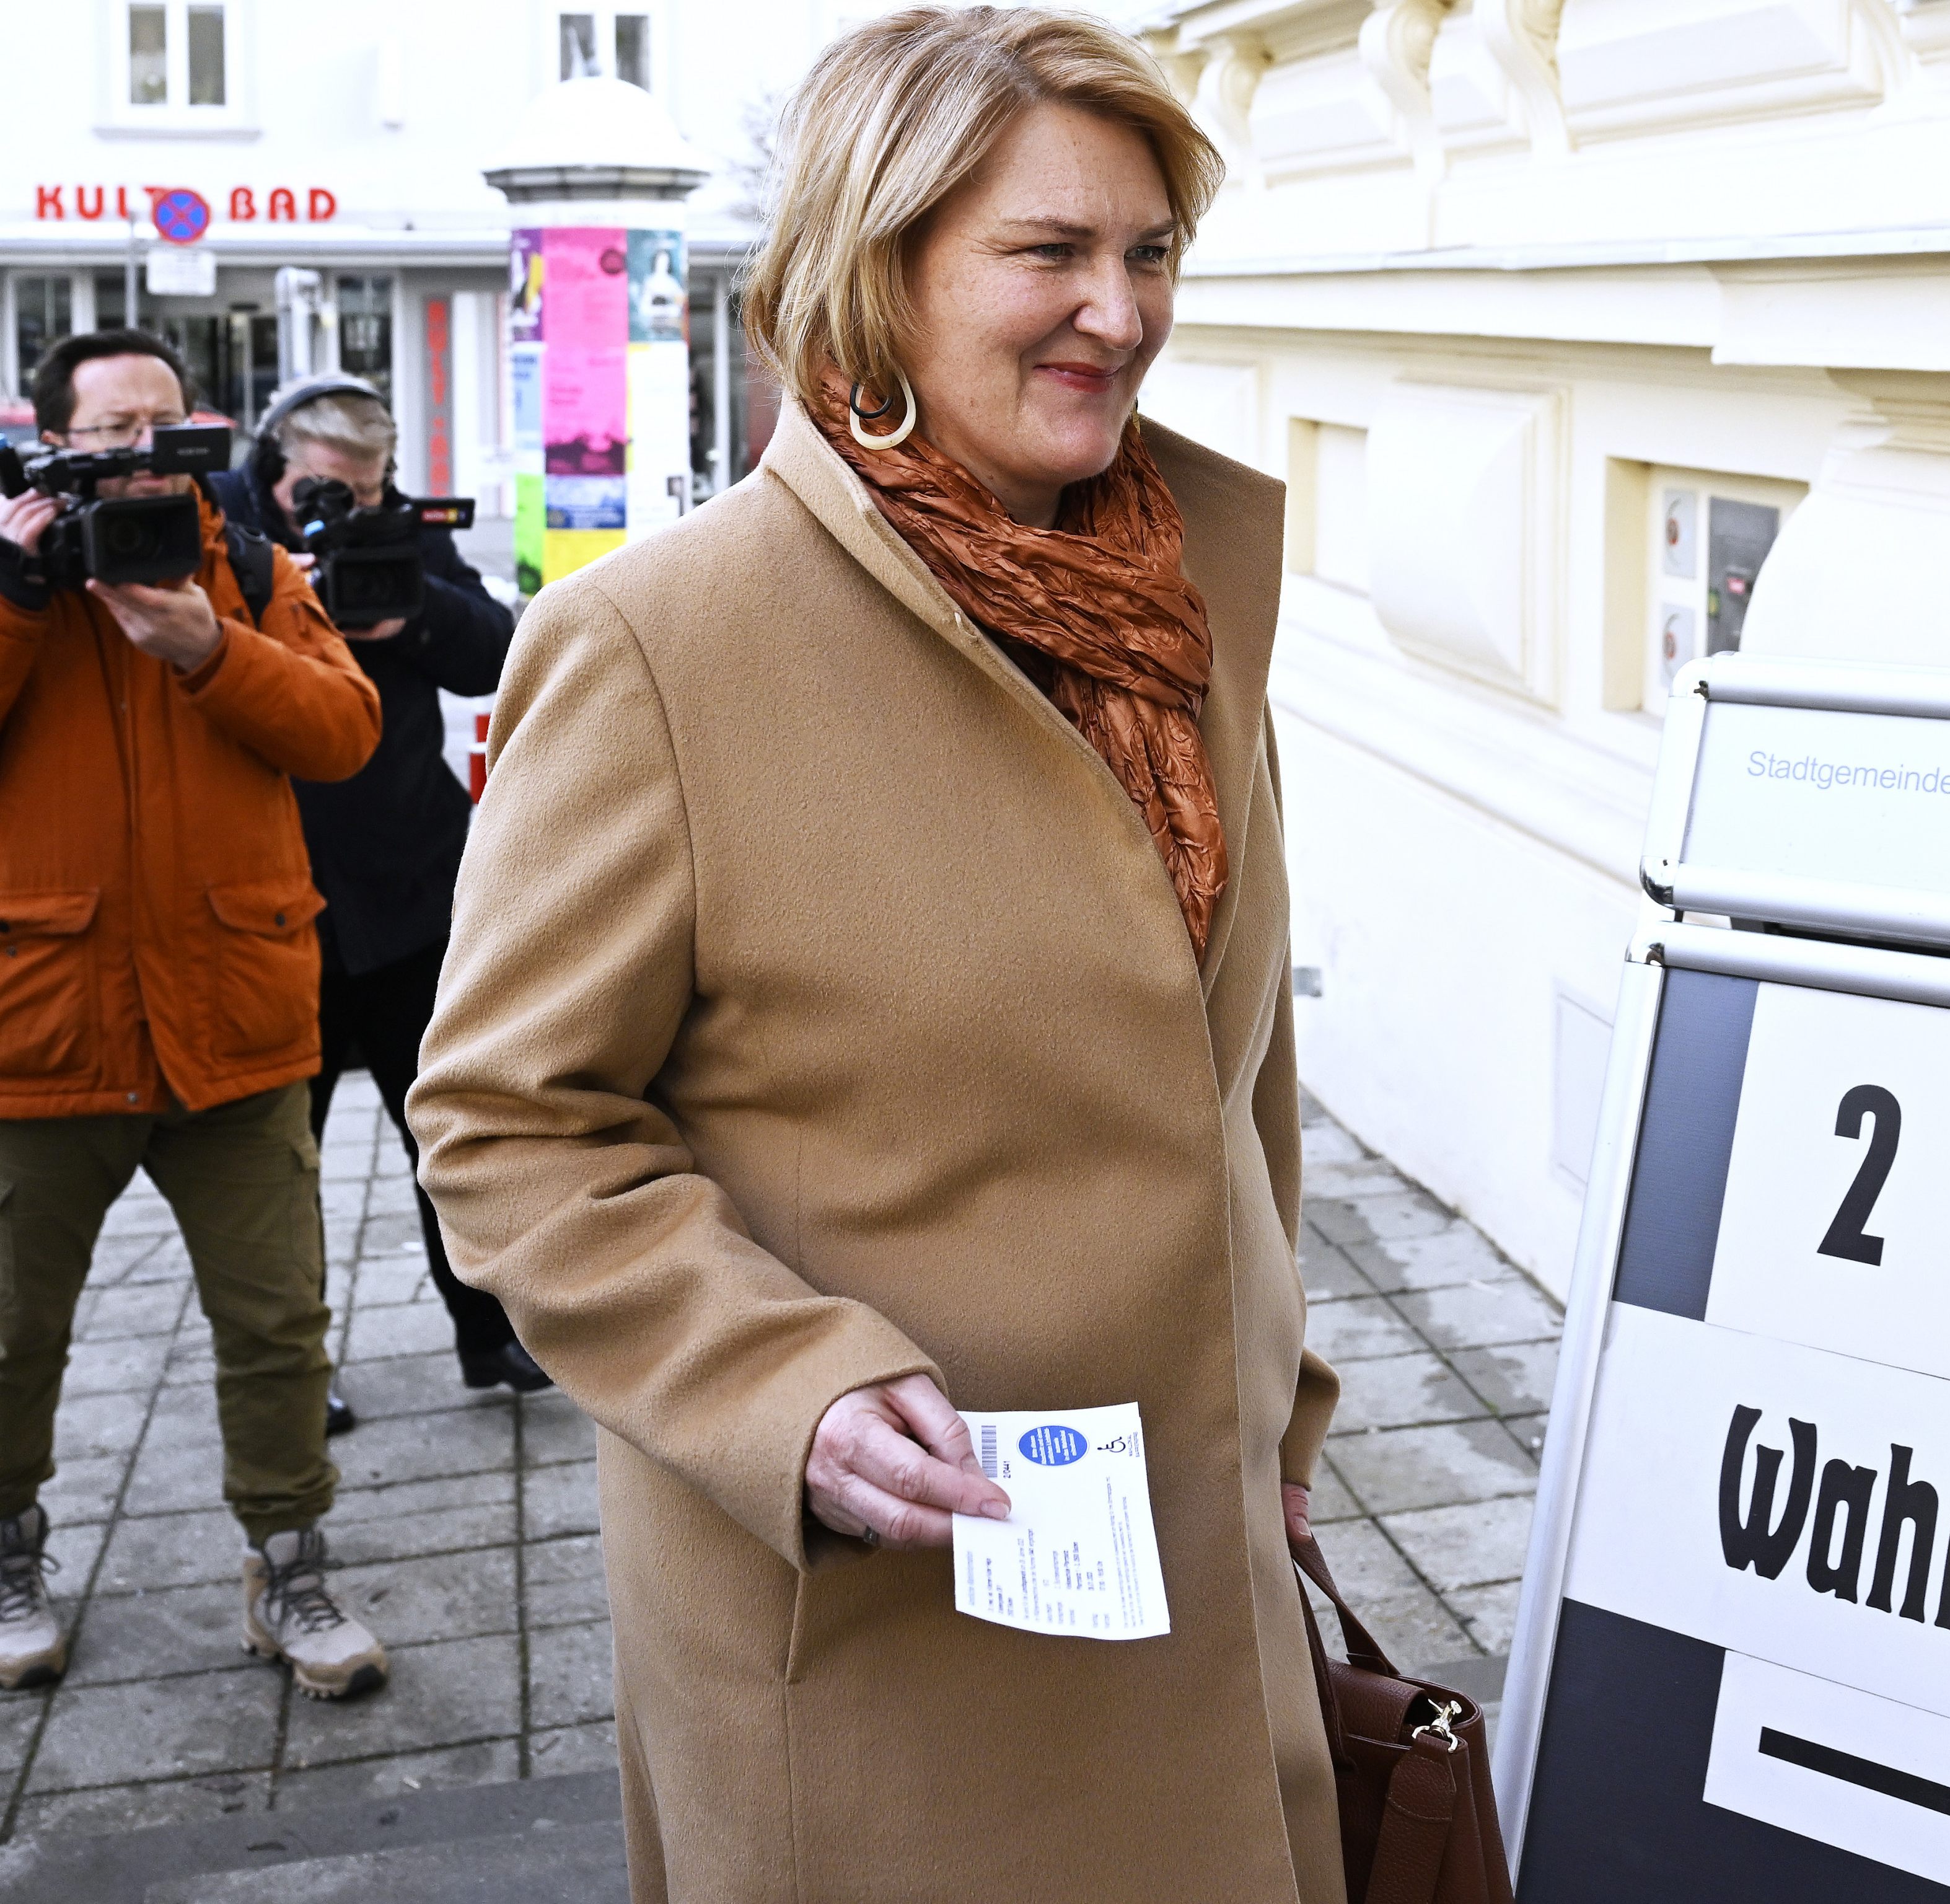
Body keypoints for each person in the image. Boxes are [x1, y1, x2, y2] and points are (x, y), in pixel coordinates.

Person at [406, 9, 1344, 1900]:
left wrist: (1284, 1406)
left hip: (1199, 1553)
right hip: (888, 1626)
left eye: (1149, 251)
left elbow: (1235, 1080)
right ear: (874, 269)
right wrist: (788, 1395)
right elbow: (511, 1128)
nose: (1122, 310)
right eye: (1049, 254)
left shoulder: (1183, 603)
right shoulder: (663, 646)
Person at [0, 329, 392, 1701]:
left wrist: (212, 649)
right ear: (47, 440)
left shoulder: (251, 571)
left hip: (233, 1021)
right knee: (8, 1327)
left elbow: (344, 732)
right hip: (37, 1034)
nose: (139, 455)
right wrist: (17, 599)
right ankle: (8, 1549)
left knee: (279, 1322)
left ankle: (289, 1561)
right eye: (109, 429)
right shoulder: (7, 584)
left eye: (165, 429)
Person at [206, 380, 545, 1412]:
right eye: (322, 489)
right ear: (275, 467)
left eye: (364, 488)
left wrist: (405, 608)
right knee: (276, 1165)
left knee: (449, 1129)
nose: (341, 508)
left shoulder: (390, 528)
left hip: (408, 887)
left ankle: (490, 1338)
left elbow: (496, 647)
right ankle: (299, 1377)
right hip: (273, 899)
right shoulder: (218, 533)